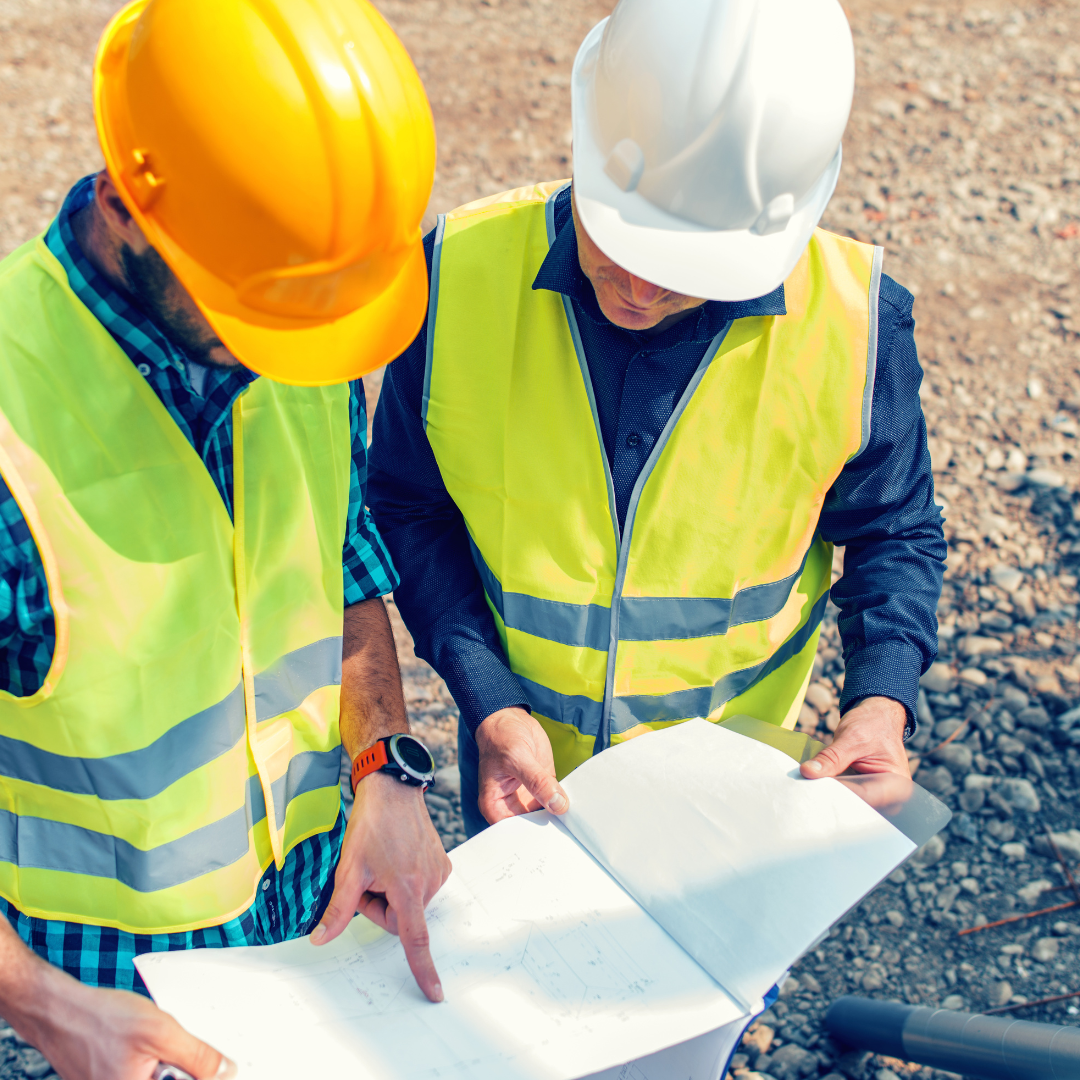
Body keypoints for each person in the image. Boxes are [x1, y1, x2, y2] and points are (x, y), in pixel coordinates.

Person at [368, 0, 947, 839]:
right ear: (587, 143)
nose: (640, 288)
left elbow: (895, 529)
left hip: (736, 807)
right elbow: (409, 507)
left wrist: (883, 697)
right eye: (623, 243)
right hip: (524, 788)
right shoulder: (458, 276)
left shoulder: (855, 325)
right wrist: (488, 700)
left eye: (682, 267)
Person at [0, 1, 449, 1076]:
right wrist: (47, 1008)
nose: (286, 356)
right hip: (105, 1004)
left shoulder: (299, 319)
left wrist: (384, 769)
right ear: (127, 206)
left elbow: (342, 581)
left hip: (311, 944)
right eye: (250, 313)